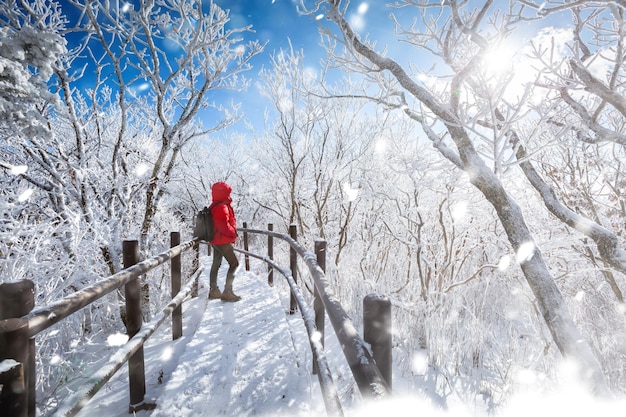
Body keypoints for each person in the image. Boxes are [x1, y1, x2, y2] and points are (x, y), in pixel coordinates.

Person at [208, 181, 241, 302]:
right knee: (234, 264)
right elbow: (223, 226)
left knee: (216, 263)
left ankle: (213, 290)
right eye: (228, 192)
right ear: (223, 193)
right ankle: (228, 291)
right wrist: (234, 233)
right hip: (223, 241)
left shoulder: (214, 205)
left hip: (215, 240)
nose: (229, 194)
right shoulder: (222, 207)